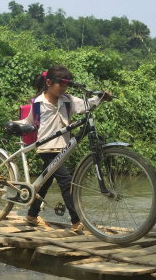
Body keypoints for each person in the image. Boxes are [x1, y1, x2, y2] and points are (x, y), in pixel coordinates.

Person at [8, 65, 110, 231]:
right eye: (60, 85)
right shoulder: (38, 104)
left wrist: (100, 98)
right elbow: (28, 122)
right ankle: (76, 221)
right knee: (66, 182)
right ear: (48, 83)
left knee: (44, 183)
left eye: (66, 86)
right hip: (46, 148)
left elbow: (86, 105)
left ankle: (32, 215)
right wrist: (14, 125)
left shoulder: (67, 100)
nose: (63, 88)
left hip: (62, 149)